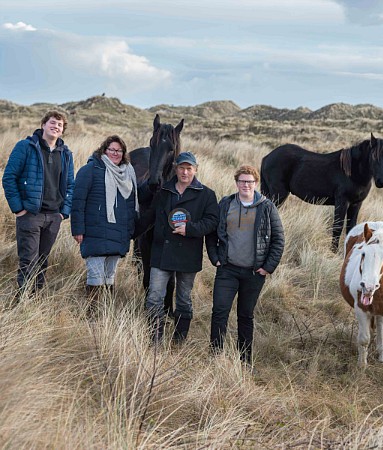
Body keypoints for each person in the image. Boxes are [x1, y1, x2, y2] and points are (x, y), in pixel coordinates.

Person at [206, 164, 285, 367]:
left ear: (255, 183)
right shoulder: (226, 204)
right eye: (242, 181)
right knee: (219, 312)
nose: (246, 185)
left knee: (245, 316)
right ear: (236, 183)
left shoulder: (266, 207)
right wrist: (215, 257)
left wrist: (268, 267)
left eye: (249, 181)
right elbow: (212, 233)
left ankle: (245, 361)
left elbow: (278, 239)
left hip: (253, 273)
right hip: (227, 269)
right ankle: (215, 356)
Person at [142, 152, 219, 344]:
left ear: (195, 170)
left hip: (188, 254)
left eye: (189, 168)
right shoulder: (163, 192)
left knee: (184, 299)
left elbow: (212, 221)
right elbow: (149, 217)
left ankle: (178, 340)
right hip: (161, 253)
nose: (185, 172)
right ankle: (155, 339)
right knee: (154, 297)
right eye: (181, 168)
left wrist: (190, 229)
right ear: (175, 169)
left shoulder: (207, 194)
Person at [2, 111, 75, 292]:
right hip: (30, 214)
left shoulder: (66, 153)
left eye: (59, 125)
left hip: (53, 216)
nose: (55, 126)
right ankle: (23, 300)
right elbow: (9, 177)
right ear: (43, 124)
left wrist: (63, 212)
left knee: (43, 261)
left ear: (62, 131)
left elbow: (70, 185)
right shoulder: (26, 146)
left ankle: (36, 299)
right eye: (52, 122)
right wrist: (19, 209)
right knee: (28, 260)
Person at [70, 135, 138, 309]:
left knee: (110, 276)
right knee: (95, 276)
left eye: (119, 150)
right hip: (95, 232)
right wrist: (77, 229)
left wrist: (129, 232)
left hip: (117, 234)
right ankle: (92, 315)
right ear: (104, 150)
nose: (115, 153)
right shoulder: (90, 170)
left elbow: (130, 207)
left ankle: (106, 313)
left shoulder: (127, 175)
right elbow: (78, 202)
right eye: (112, 150)